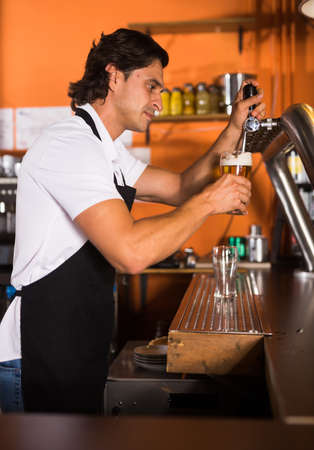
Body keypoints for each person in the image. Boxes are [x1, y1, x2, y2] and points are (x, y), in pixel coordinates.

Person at [0, 28, 265, 415]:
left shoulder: (106, 151)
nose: (159, 103)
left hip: (74, 345)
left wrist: (234, 128)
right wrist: (211, 201)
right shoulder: (69, 145)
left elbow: (180, 186)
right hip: (36, 355)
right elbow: (130, 252)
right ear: (114, 75)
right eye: (152, 86)